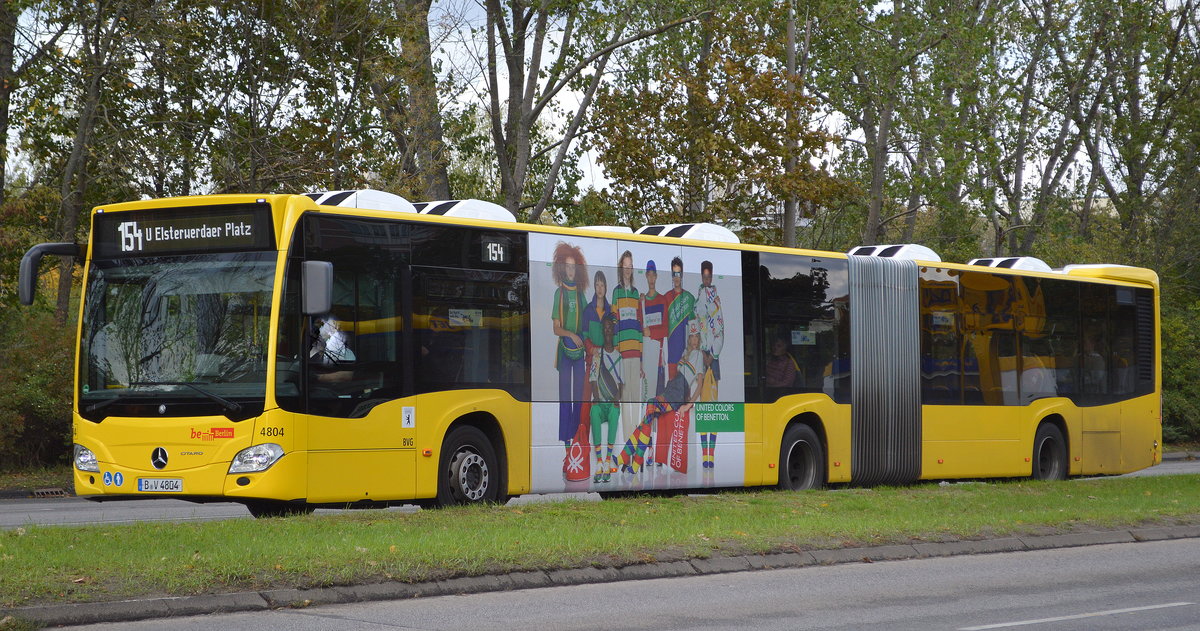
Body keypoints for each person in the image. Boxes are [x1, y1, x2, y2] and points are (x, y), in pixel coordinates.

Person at [551, 242, 589, 468]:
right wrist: (571, 336)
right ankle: (567, 447)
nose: (570, 270)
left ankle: (577, 443)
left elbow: (586, 323)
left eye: (574, 267)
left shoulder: (582, 294)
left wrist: (583, 338)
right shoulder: (559, 293)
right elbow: (556, 328)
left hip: (580, 353)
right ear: (562, 269)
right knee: (565, 399)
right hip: (564, 352)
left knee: (579, 398)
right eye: (567, 267)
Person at [612, 250, 645, 454]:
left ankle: (635, 438)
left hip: (635, 352)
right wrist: (616, 347)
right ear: (620, 268)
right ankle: (627, 443)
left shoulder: (635, 293)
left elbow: (640, 325)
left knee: (636, 397)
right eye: (625, 265)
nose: (628, 269)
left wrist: (641, 358)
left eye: (630, 265)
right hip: (622, 352)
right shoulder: (616, 292)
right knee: (625, 398)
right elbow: (615, 321)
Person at [694, 260, 724, 469]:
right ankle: (702, 452)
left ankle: (710, 455)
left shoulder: (715, 298)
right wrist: (701, 352)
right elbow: (696, 326)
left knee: (711, 408)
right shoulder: (698, 297)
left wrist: (712, 354)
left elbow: (720, 328)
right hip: (700, 358)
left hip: (713, 361)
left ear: (712, 276)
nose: (707, 279)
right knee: (700, 408)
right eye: (704, 276)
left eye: (709, 276)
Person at [589, 314, 622, 483]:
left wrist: (617, 399)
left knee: (615, 415)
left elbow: (621, 383)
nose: (608, 330)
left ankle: (608, 461)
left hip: (612, 402)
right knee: (593, 412)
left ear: (613, 331)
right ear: (603, 331)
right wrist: (596, 398)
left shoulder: (619, 356)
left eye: (610, 327)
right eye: (605, 328)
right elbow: (593, 378)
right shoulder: (597, 355)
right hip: (601, 402)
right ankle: (599, 462)